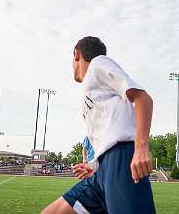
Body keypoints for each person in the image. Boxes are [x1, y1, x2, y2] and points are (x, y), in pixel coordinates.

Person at [41, 36, 156, 214]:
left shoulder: (97, 64)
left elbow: (143, 98)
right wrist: (94, 165)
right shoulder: (92, 88)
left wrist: (141, 148)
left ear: (76, 54)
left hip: (121, 162)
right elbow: (109, 130)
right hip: (102, 173)